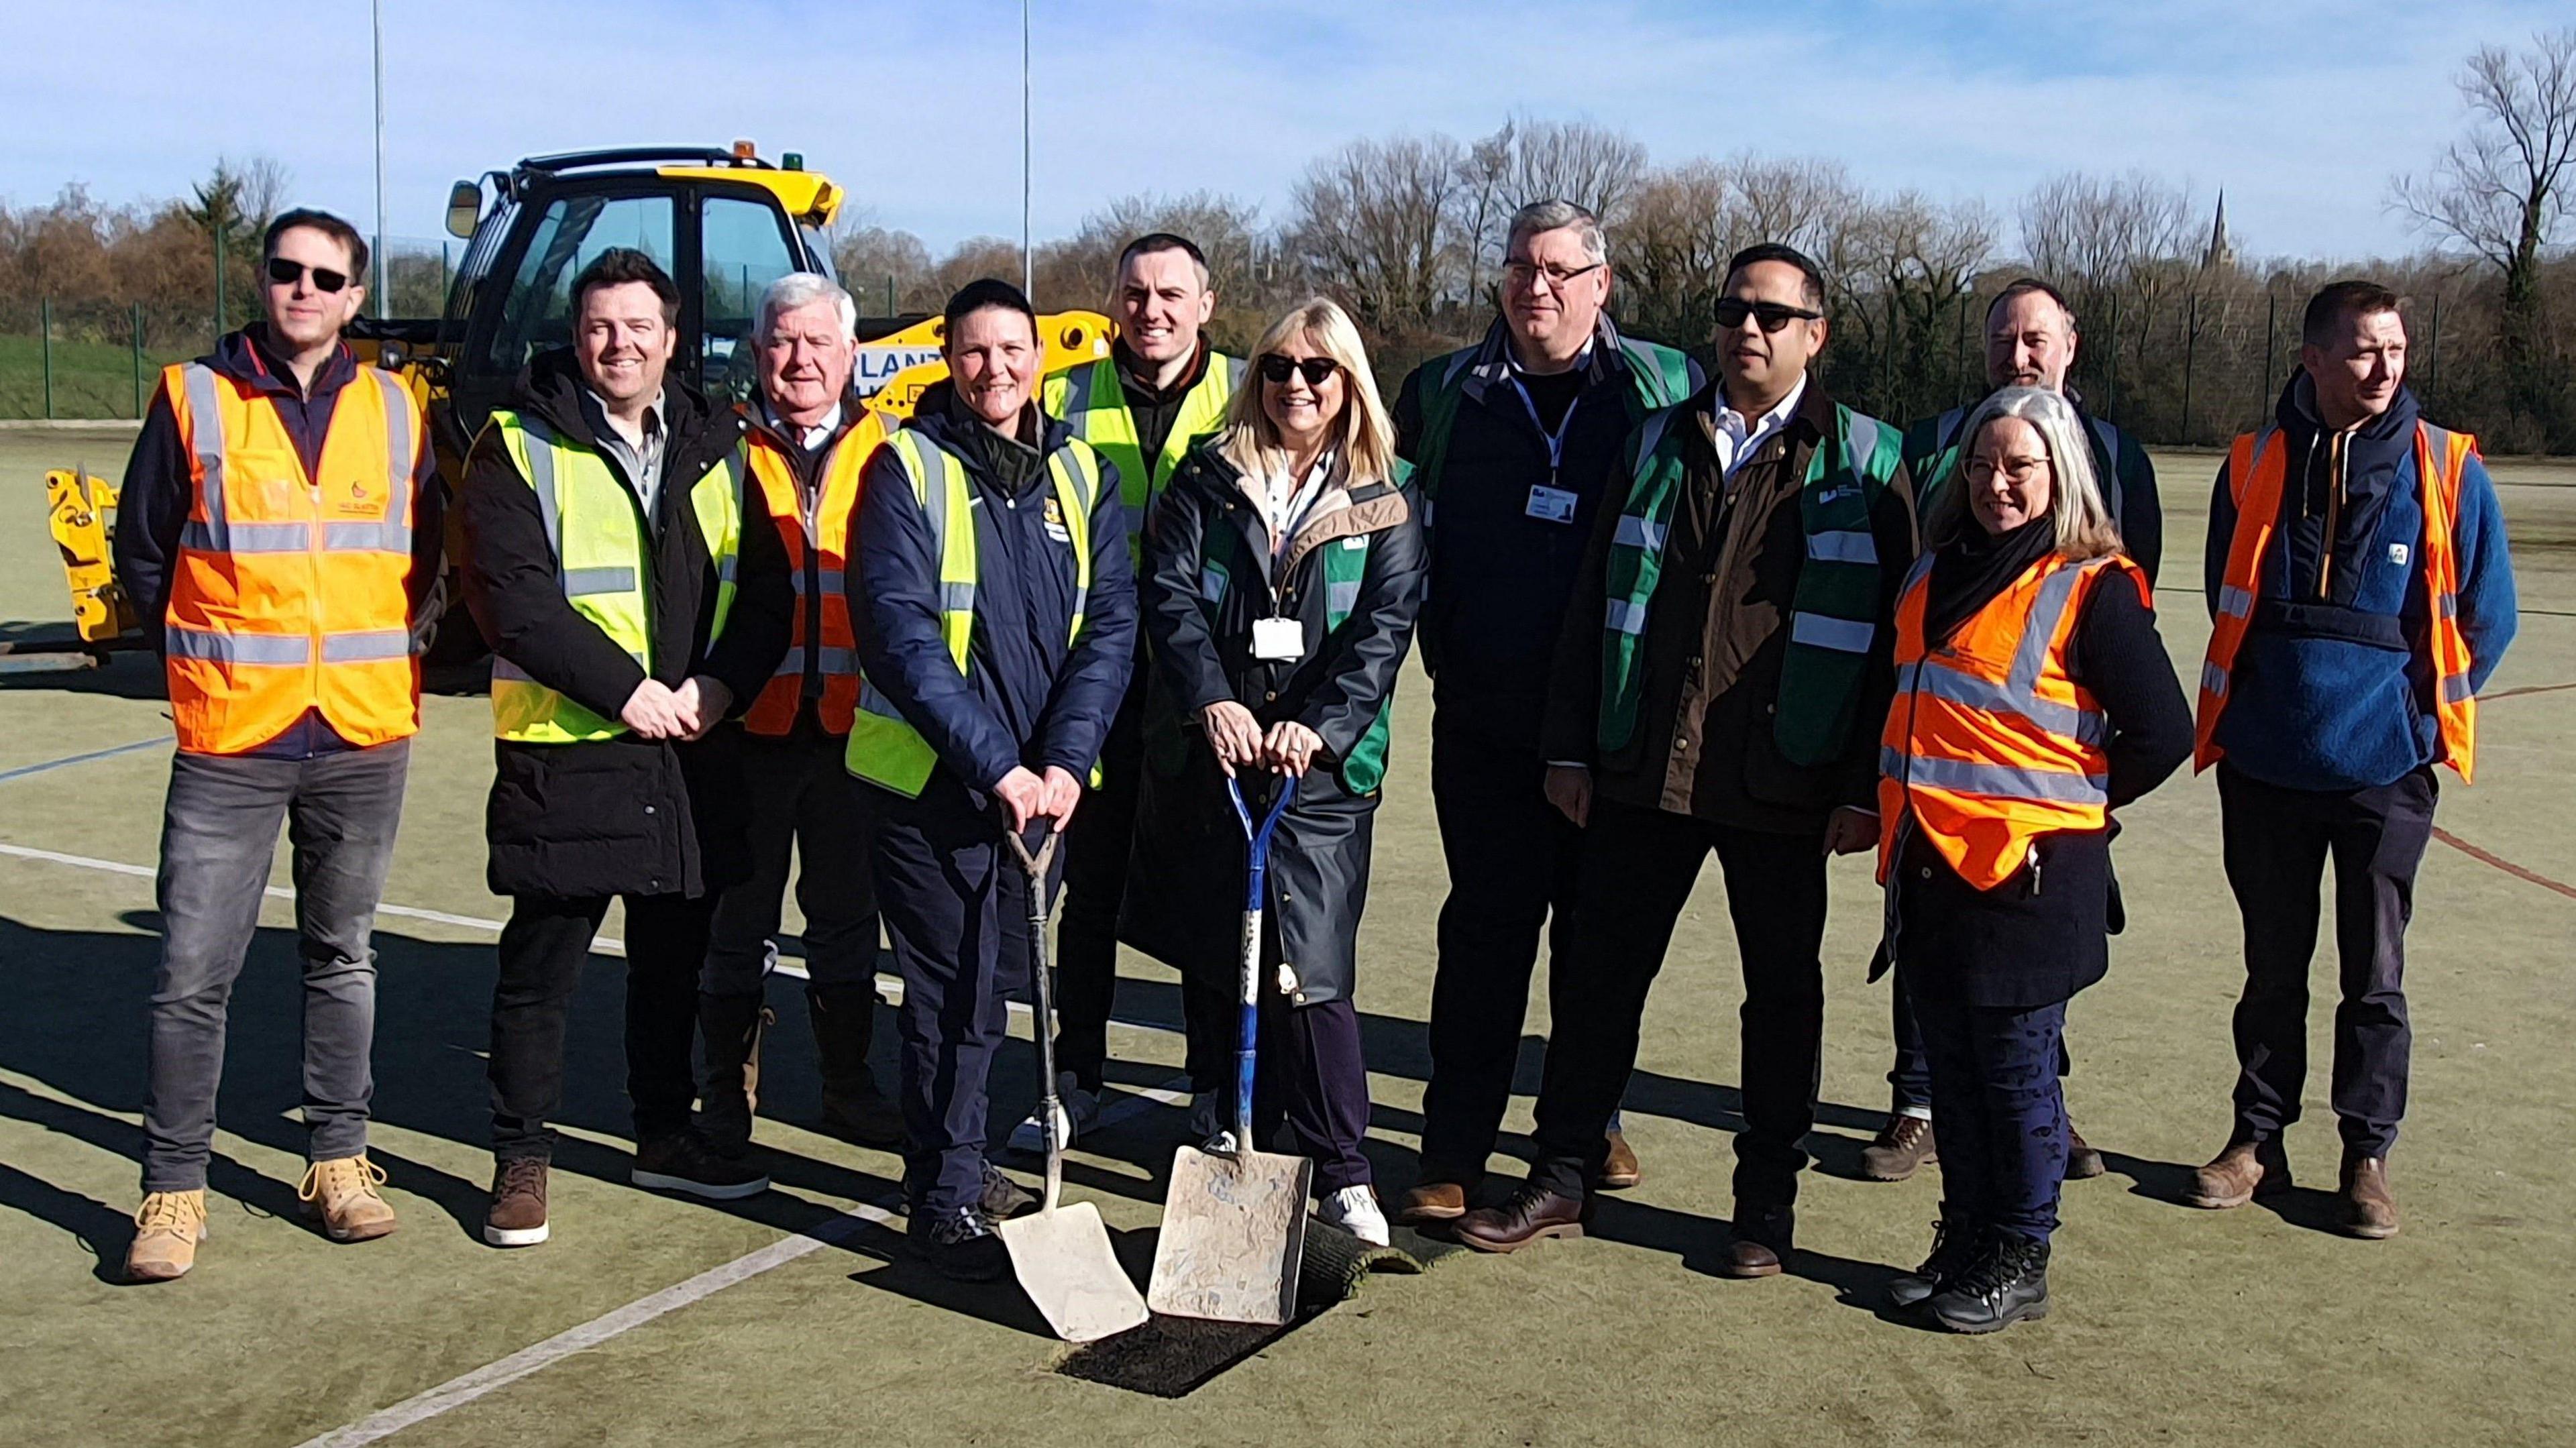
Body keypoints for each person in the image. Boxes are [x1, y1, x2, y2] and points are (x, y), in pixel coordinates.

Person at [1455, 244, 1918, 1276]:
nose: (1745, 329)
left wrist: (1860, 789)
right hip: (1645, 764)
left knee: (1782, 1001)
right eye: (1730, 308)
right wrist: (1573, 746)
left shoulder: (1871, 457)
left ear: (1815, 333)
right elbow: (1594, 605)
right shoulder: (1657, 437)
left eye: (1771, 313)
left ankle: (1765, 1210)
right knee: (1601, 986)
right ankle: (1562, 1171)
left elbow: (1898, 642)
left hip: (1787, 783)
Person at [113, 208, 444, 1282]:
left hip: (358, 731)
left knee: (342, 956)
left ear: (355, 298)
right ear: (265, 283)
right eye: (287, 271)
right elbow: (145, 549)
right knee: (191, 971)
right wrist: (204, 672)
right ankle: (172, 1188)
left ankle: (339, 1162)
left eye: (328, 277)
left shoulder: (399, 408)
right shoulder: (192, 397)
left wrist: (400, 658)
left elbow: (429, 558)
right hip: (233, 736)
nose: (304, 289)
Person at [462, 247, 793, 1247]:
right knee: (542, 967)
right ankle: (521, 1157)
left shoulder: (719, 442)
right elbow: (511, 602)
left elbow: (766, 589)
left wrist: (720, 685)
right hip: (572, 755)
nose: (620, 344)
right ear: (578, 334)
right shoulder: (514, 445)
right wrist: (629, 693)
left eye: (639, 327)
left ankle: (663, 1135)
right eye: (602, 326)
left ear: (672, 339)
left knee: (670, 962)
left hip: (691, 750)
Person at [2186, 280, 2516, 1239]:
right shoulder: (2251, 462)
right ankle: (2257, 1140)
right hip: (2267, 760)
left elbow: (2487, 617)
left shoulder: (2449, 466)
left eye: (2398, 351)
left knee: (2374, 972)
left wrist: (2413, 717)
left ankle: (2366, 1155)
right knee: (2271, 965)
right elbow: (2227, 594)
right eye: (2366, 351)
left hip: (2387, 765)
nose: (2386, 368)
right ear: (2314, 359)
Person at [1391, 200, 1699, 1225]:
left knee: (1598, 941)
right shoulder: (1442, 392)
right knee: (1485, 931)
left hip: (1612, 726)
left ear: (1601, 284)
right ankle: (1453, 1148)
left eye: (1562, 270)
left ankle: (1586, 1119)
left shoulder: (1663, 389)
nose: (1538, 287)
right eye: (1522, 267)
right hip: (1482, 718)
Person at [1874, 386, 2190, 1333]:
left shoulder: (2094, 584)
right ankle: (1967, 1235)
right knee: (1958, 1074)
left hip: (2034, 881)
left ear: (2061, 474)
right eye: (1982, 464)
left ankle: (2022, 1249)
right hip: (1932, 869)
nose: (1997, 483)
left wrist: (2078, 806)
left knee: (2016, 1076)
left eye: (2019, 465)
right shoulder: (1932, 574)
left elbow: (2164, 732)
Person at [849, 279, 1136, 1281]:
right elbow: (899, 634)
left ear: (1039, 357)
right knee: (951, 993)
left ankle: (963, 1164)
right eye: (973, 352)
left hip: (1042, 797)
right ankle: (942, 1195)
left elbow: (1109, 629)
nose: (995, 369)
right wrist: (998, 767)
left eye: (1012, 349)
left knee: (997, 985)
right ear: (948, 360)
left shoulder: (1081, 474)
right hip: (933, 788)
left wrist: (1063, 762)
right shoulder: (906, 469)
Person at [1123, 296, 1426, 1249]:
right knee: (1222, 944)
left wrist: (1319, 728)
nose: (1296, 385)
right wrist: (1212, 699)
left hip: (1322, 772)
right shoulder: (1208, 478)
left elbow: (1382, 636)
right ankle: (1227, 1116)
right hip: (1219, 747)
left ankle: (1342, 1168)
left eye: (1317, 370)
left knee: (1311, 963)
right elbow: (1168, 597)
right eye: (1277, 369)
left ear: (1348, 385)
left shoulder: (1390, 498)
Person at [1868, 276, 2162, 1184]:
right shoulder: (1930, 467)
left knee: (2020, 1016)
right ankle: (1918, 1111)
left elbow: (2133, 657)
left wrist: (2070, 792)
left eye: (2036, 338)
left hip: (2038, 820)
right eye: (2004, 339)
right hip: (1931, 808)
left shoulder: (2112, 470)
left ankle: (2033, 1156)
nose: (2019, 353)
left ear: (2070, 343)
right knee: (1943, 995)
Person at [1010, 234, 1244, 1152]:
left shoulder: (1247, 390)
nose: (1153, 310)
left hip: (1208, 678)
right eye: (1136, 293)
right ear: (1113, 302)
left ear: (1207, 304)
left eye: (1171, 294)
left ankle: (1213, 1083)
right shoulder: (1064, 397)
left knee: (1207, 880)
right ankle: (1077, 1075)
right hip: (1098, 677)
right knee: (1092, 884)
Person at [696, 274, 902, 1156]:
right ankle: (725, 1097)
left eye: (819, 342)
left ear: (851, 355)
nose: (801, 358)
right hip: (745, 733)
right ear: (757, 352)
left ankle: (847, 1085)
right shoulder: (713, 450)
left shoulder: (897, 450)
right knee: (734, 924)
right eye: (783, 341)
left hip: (857, 738)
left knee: (847, 922)